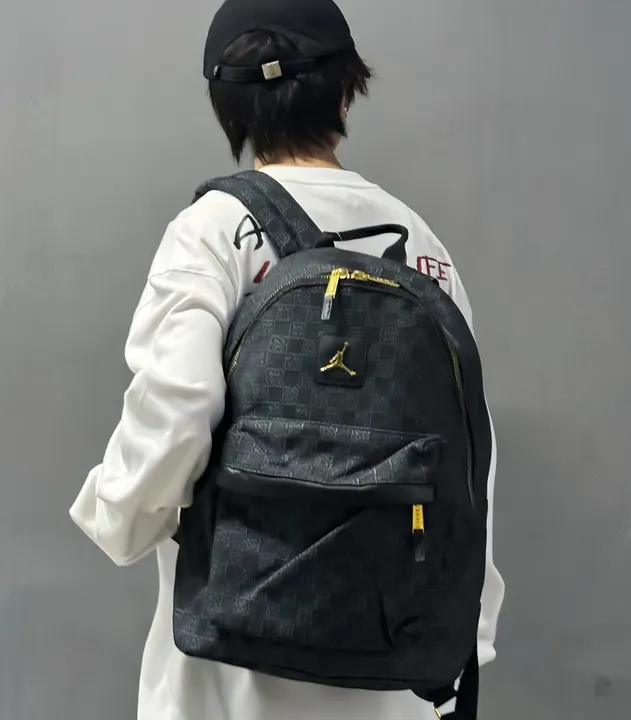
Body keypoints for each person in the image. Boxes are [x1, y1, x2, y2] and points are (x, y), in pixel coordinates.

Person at [70, 1, 505, 718]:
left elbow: (177, 405)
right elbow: (470, 454)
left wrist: (117, 515)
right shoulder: (421, 245)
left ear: (228, 106)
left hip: (232, 664)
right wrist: (469, 629)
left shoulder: (212, 231)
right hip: (391, 666)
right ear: (344, 92)